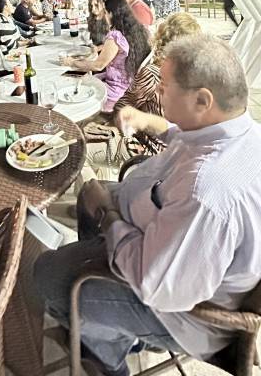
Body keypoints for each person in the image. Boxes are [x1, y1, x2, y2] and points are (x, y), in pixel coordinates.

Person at [34, 35, 261, 376]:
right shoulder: (237, 132)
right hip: (153, 231)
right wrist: (145, 121)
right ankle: (102, 318)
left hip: (176, 310)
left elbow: (156, 284)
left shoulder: (208, 192)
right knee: (88, 198)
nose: (157, 91)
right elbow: (184, 137)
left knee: (45, 274)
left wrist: (108, 215)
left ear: (202, 100)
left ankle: (105, 359)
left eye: (165, 87)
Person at [80, 13, 202, 185]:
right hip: (175, 155)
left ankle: (93, 195)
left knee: (78, 154)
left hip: (146, 150)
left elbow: (122, 107)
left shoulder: (153, 74)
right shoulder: (195, 79)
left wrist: (101, 123)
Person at [62, 0, 150, 112]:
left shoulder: (115, 36)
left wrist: (72, 62)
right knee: (86, 79)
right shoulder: (137, 30)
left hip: (117, 92)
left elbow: (98, 65)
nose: (104, 15)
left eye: (105, 12)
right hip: (131, 86)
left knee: (73, 88)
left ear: (111, 14)